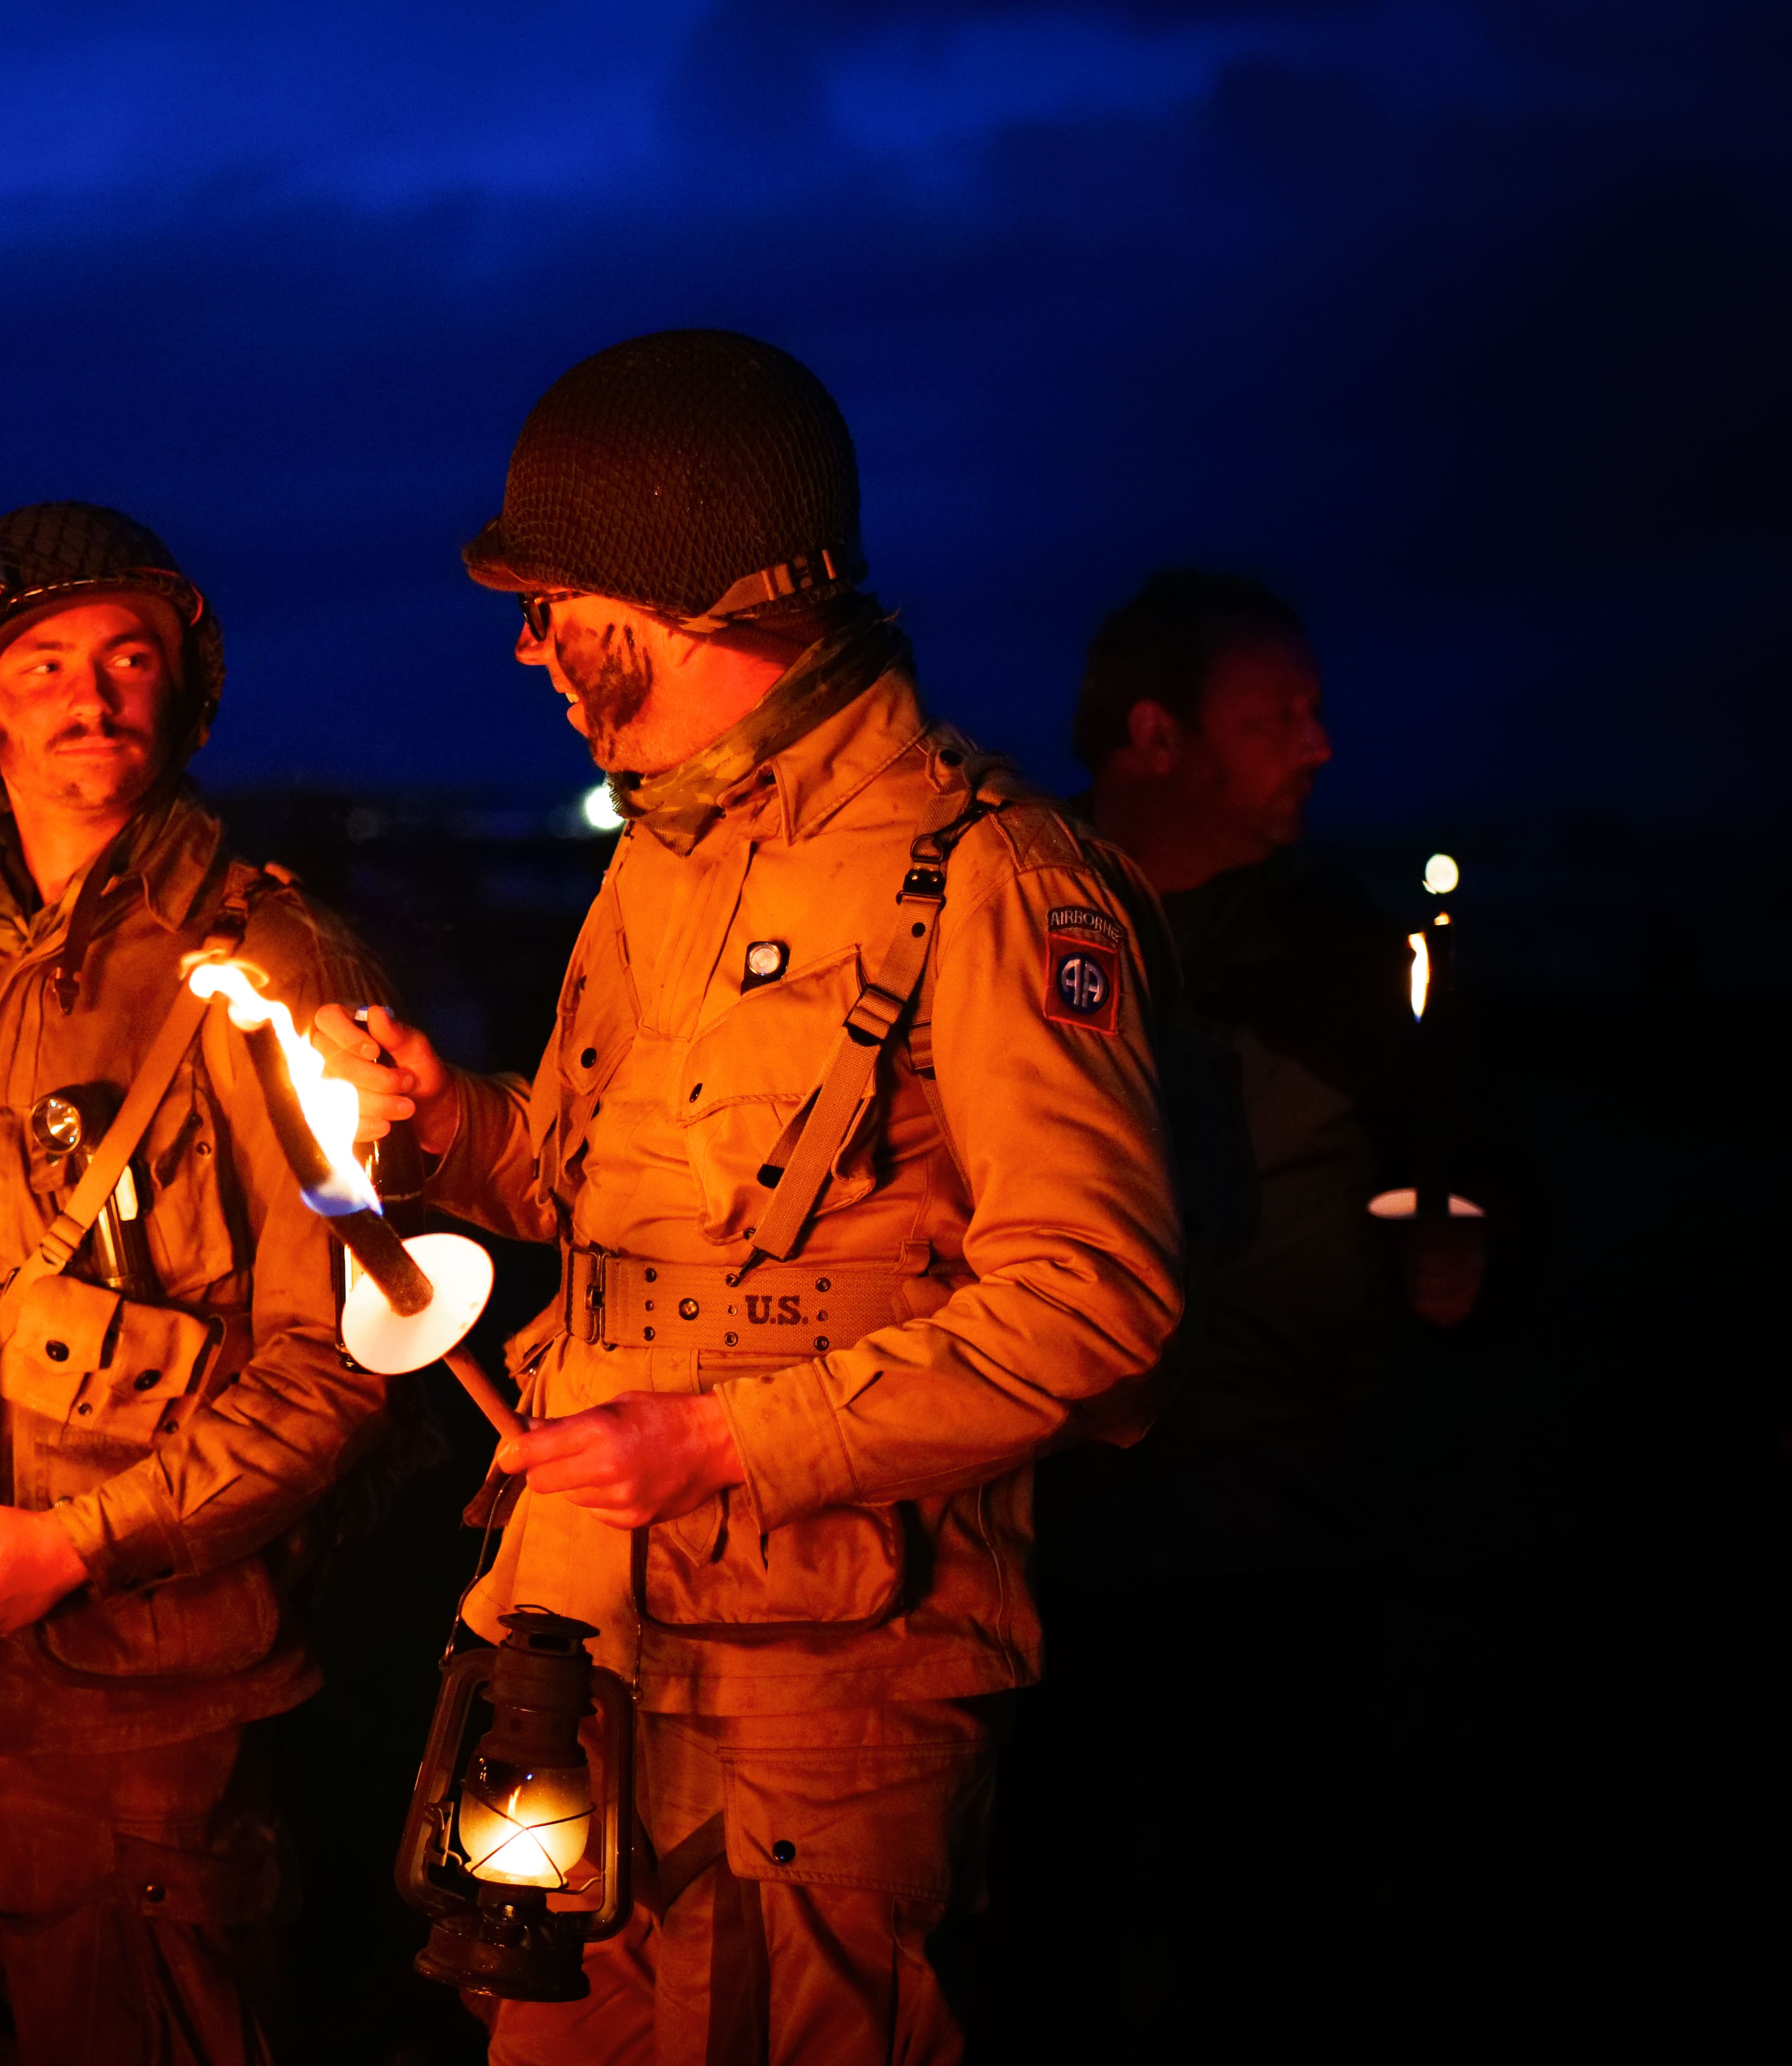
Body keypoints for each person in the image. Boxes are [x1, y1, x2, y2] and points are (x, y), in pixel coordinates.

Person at [315, 331, 1185, 2064]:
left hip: (817, 1713)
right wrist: (450, 1125)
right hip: (578, 1647)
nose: (530, 644)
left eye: (558, 599)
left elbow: (1102, 1300)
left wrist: (725, 1447)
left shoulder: (994, 873)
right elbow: (589, 1185)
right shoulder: (661, 855)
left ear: (690, 598)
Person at [0, 502, 413, 2062]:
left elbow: (344, 1362)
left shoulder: (276, 966)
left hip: (138, 1718)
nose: (92, 693)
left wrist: (80, 1545)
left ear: (183, 697)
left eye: (131, 659)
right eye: (42, 663)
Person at [979, 569, 1509, 2063]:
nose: (1322, 745)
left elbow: (1468, 1167)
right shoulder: (1013, 932)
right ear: (1156, 734)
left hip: (1277, 1539)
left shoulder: (1351, 964)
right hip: (1049, 1534)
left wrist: (1472, 1263)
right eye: (1278, 716)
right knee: (1036, 1936)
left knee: (1261, 1937)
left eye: (1315, 713)